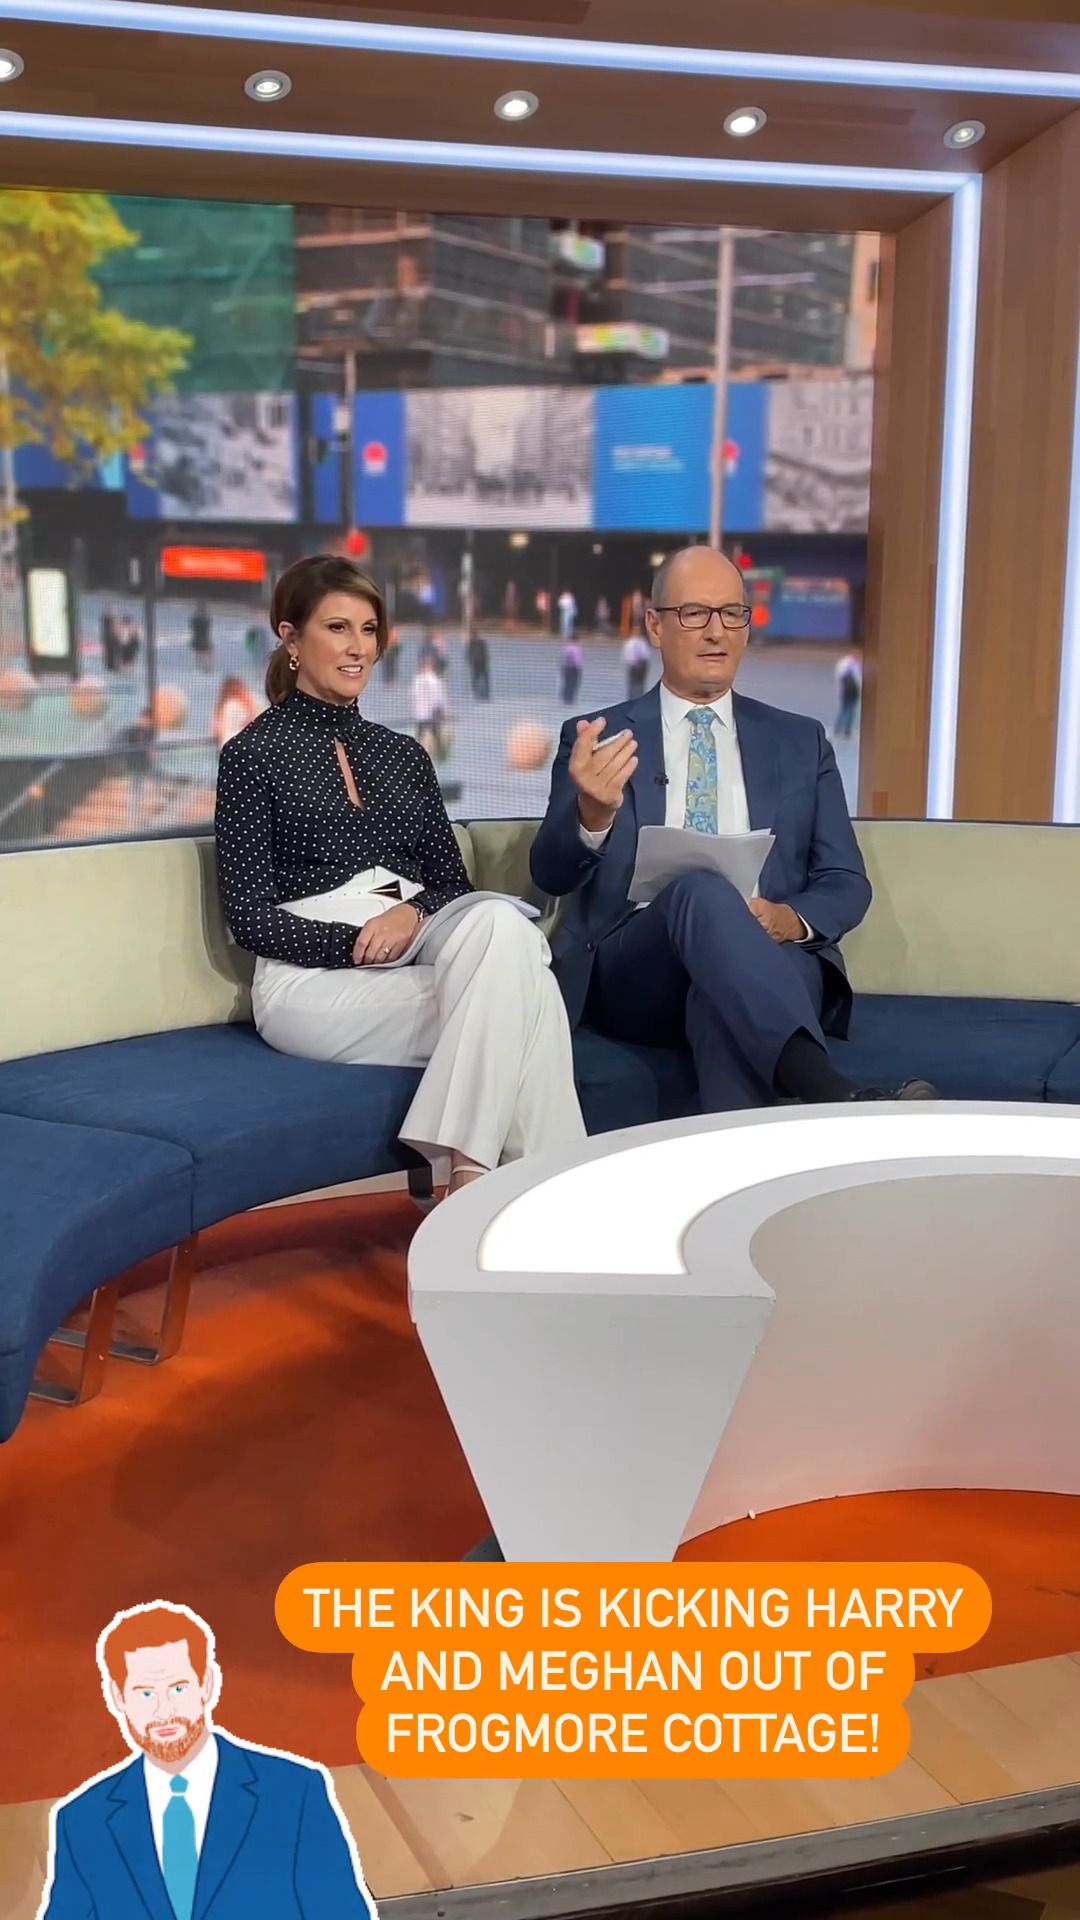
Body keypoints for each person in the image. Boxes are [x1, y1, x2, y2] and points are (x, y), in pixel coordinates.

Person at [214, 553, 584, 1192]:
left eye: (368, 630)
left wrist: (409, 916)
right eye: (337, 628)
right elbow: (249, 916)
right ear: (291, 638)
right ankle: (527, 1198)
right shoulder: (252, 755)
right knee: (531, 995)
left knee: (501, 926)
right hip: (313, 980)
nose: (359, 648)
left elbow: (452, 886)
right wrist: (358, 943)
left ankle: (469, 1179)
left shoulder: (404, 755)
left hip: (414, 937)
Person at [530, 545, 936, 1113]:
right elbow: (550, 873)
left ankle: (747, 1162)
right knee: (700, 891)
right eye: (695, 613)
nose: (716, 631)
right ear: (655, 625)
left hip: (768, 957)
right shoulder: (598, 738)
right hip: (638, 969)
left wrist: (787, 919)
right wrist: (592, 815)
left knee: (722, 996)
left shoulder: (800, 741)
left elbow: (845, 880)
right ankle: (826, 1088)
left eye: (732, 614)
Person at [38, 1602, 373, 1918]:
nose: (164, 1711)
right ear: (117, 1696)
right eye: (145, 1693)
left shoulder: (294, 1794)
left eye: (178, 1688)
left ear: (207, 1684)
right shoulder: (82, 1821)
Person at [211, 675, 261, 747]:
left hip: (225, 744)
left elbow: (215, 731)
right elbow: (252, 721)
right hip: (239, 744)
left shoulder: (222, 706)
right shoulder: (237, 705)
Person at [833, 646, 862, 739]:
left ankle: (846, 730)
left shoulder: (855, 664)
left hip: (853, 690)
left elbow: (858, 678)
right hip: (846, 690)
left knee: (851, 710)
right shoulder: (845, 663)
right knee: (845, 709)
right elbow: (840, 676)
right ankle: (839, 728)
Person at [622, 630, 652, 700]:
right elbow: (646, 656)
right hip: (638, 666)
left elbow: (626, 656)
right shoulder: (640, 642)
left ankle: (633, 699)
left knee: (633, 684)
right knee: (638, 684)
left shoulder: (630, 643)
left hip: (634, 666)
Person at [559, 636, 583, 705]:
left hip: (565, 668)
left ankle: (566, 698)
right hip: (574, 668)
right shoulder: (577, 648)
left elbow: (562, 659)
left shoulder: (565, 648)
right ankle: (570, 699)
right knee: (574, 683)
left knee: (566, 683)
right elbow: (578, 660)